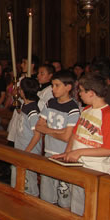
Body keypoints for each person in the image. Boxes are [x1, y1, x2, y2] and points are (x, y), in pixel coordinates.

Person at [52, 73, 110, 215]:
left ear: (91, 93)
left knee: (94, 213)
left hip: (97, 172)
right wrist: (68, 152)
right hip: (80, 168)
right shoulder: (86, 110)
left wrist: (80, 152)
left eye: (81, 91)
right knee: (78, 211)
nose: (79, 94)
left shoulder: (108, 115)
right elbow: (75, 134)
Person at [35, 70, 80, 210]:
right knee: (47, 195)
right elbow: (38, 126)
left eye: (57, 85)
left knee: (64, 195)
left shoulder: (73, 108)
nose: (53, 89)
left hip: (63, 155)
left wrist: (48, 129)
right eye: (52, 85)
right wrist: (57, 130)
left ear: (68, 87)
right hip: (48, 152)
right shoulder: (50, 103)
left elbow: (67, 137)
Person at [10, 77, 42, 196]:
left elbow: (37, 135)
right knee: (18, 180)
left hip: (28, 151)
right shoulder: (26, 105)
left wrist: (27, 152)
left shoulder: (33, 110)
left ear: (23, 91)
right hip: (20, 147)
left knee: (28, 181)